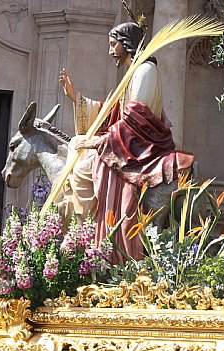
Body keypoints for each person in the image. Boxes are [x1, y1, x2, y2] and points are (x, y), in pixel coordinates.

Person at [59, 22, 194, 263]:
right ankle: (86, 226)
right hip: (129, 138)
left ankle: (98, 234)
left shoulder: (145, 71)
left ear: (127, 43)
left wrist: (98, 143)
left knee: (85, 163)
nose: (111, 51)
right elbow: (112, 112)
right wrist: (76, 98)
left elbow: (135, 118)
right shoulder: (133, 73)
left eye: (114, 45)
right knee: (76, 143)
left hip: (141, 144)